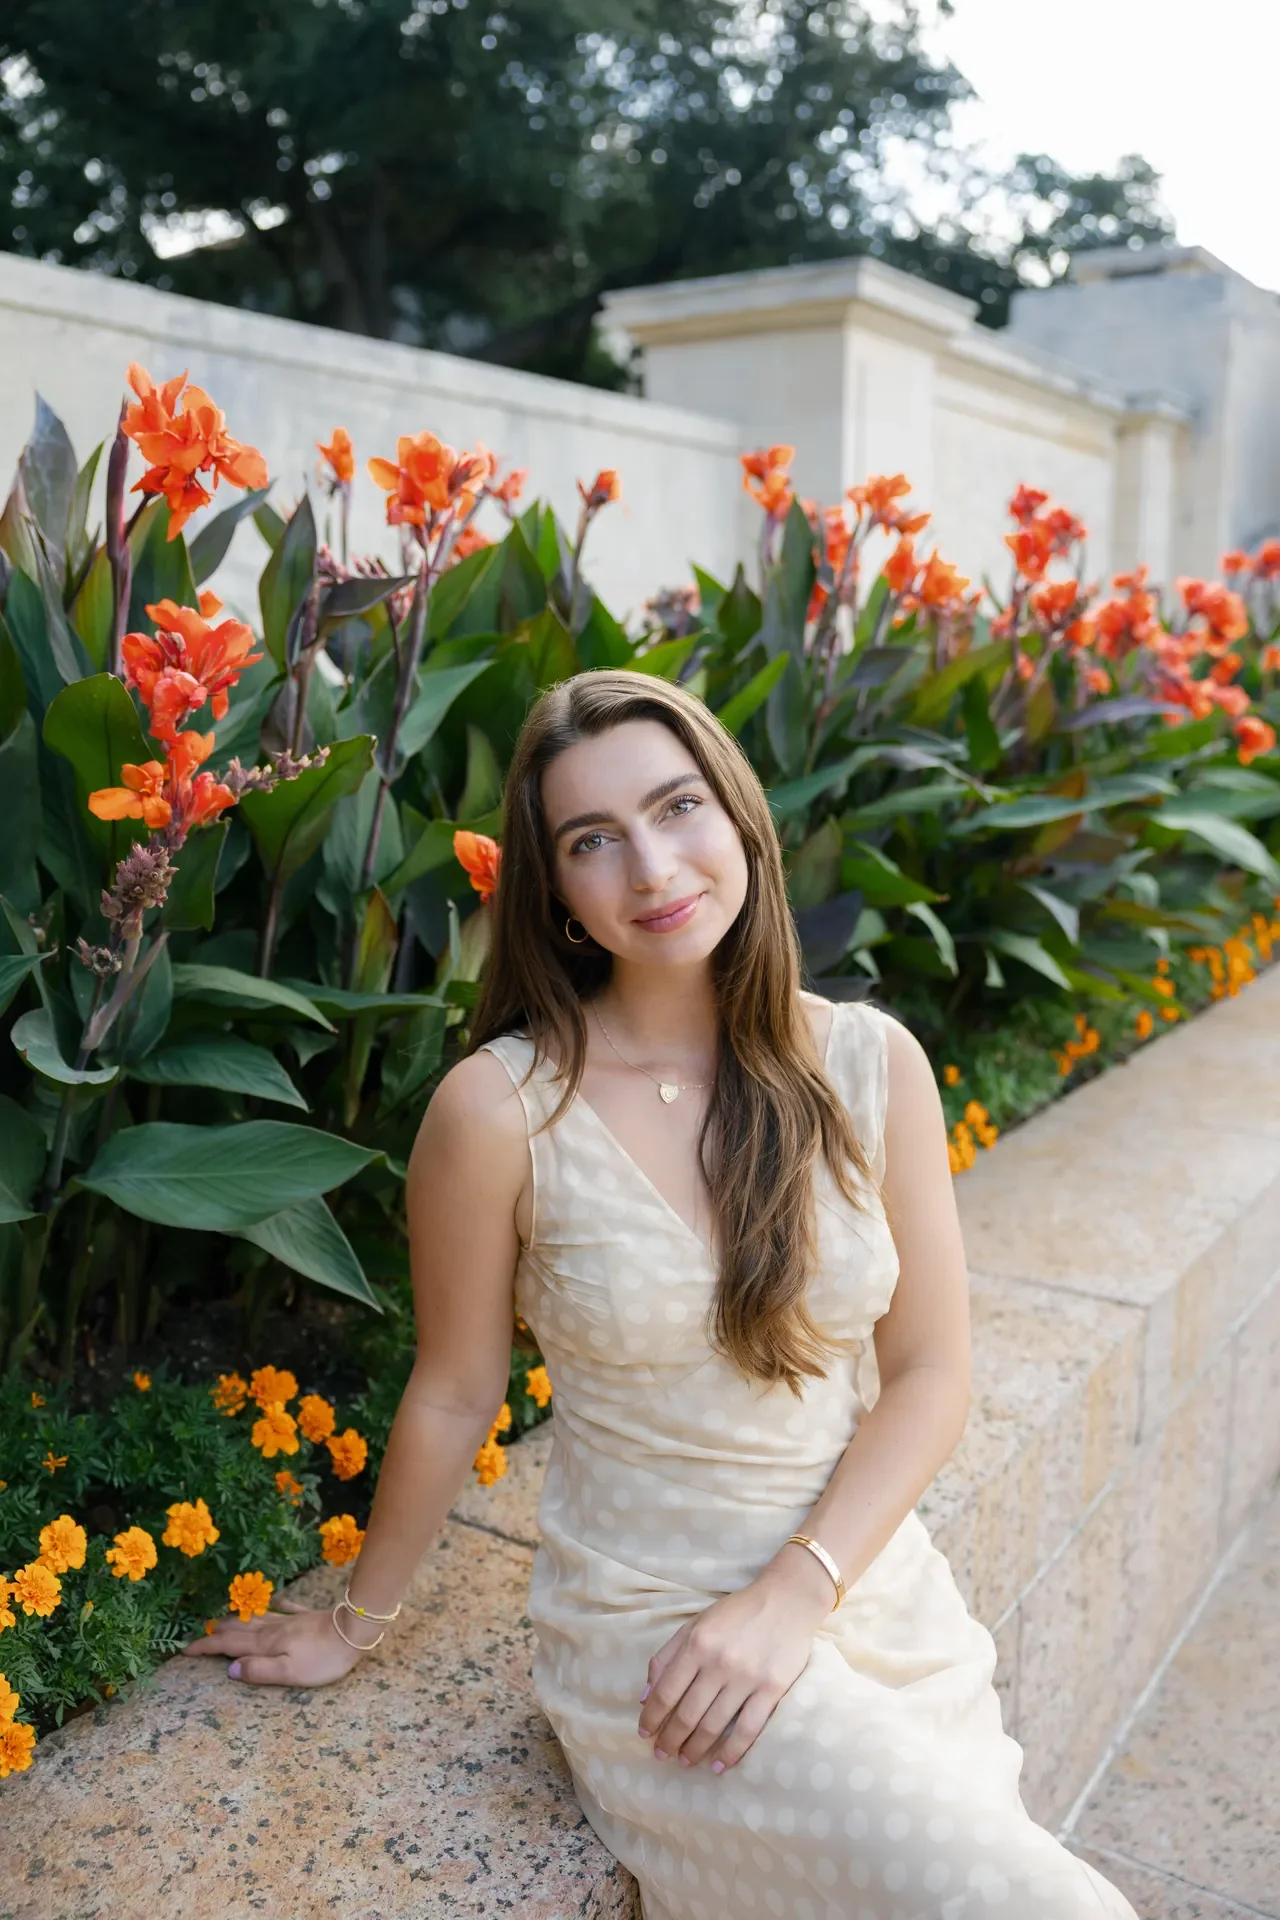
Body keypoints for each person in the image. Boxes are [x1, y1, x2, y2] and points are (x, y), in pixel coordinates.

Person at [189, 668, 1138, 1919]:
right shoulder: (500, 1109)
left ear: (738, 816)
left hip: (868, 1594)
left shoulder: (869, 1064)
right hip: (653, 1638)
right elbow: (455, 1388)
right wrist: (351, 1623)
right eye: (592, 840)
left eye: (677, 806)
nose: (650, 868)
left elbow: (929, 1374)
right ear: (555, 892)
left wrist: (796, 1591)